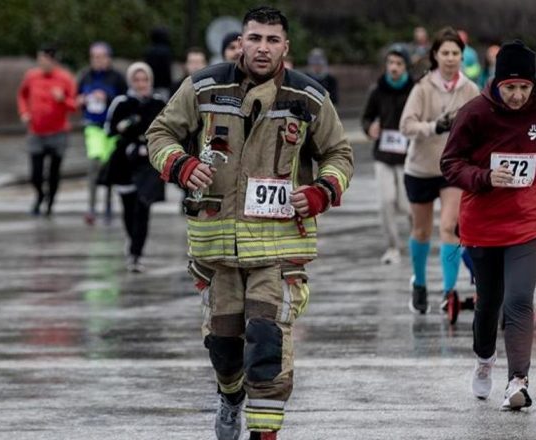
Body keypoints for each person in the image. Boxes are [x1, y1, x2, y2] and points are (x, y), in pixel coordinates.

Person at [146, 7, 353, 440]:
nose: (262, 48)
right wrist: (182, 166)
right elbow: (159, 133)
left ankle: (265, 433)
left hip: (278, 248)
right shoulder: (204, 86)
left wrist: (320, 192)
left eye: (272, 40)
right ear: (240, 41)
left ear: (285, 47)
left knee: (267, 342)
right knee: (224, 349)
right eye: (254, 38)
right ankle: (229, 396)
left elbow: (340, 154)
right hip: (216, 247)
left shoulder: (309, 97)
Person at [440, 39, 536, 410]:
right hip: (483, 222)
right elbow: (450, 163)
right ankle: (485, 360)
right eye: (510, 87)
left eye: (524, 87)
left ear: (534, 85)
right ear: (496, 83)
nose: (517, 95)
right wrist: (484, 177)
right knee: (489, 303)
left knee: (519, 300)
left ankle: (518, 381)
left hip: (528, 220)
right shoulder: (475, 113)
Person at [399, 27, 480, 322]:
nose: (450, 58)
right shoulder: (422, 88)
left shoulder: (470, 89)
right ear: (435, 55)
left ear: (462, 56)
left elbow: (481, 127)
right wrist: (435, 126)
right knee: (421, 231)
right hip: (420, 168)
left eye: (455, 53)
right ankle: (419, 283)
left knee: (450, 226)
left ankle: (449, 291)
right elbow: (406, 125)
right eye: (445, 53)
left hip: (452, 169)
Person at [101, 62, 166, 272]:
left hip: (148, 163)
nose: (141, 84)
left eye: (144, 79)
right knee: (129, 208)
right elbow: (109, 129)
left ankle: (137, 253)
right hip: (125, 162)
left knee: (143, 206)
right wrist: (125, 126)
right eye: (136, 80)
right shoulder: (121, 102)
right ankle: (132, 244)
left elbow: (169, 129)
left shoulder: (158, 102)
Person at [360, 44, 414, 265]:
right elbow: (366, 117)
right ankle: (393, 247)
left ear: (406, 67)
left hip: (407, 156)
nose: (393, 68)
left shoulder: (415, 89)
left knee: (406, 205)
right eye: (390, 63)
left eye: (399, 64)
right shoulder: (377, 90)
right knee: (386, 202)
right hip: (383, 155)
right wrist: (369, 127)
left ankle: (416, 241)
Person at [16, 44, 77, 217]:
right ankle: (40, 195)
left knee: (53, 173)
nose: (40, 63)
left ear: (53, 60)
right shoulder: (31, 76)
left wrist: (62, 99)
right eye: (39, 59)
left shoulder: (65, 78)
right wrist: (24, 112)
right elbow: (22, 95)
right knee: (35, 174)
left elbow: (74, 106)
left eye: (43, 59)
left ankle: (50, 203)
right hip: (36, 132)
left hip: (58, 133)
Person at [77, 41, 127, 226]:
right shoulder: (85, 76)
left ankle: (108, 205)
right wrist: (81, 100)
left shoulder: (117, 78)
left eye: (100, 57)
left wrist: (107, 98)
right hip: (93, 127)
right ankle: (91, 207)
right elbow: (77, 98)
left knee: (110, 166)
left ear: (108, 58)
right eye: (93, 57)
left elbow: (124, 101)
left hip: (112, 128)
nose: (96, 61)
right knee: (94, 163)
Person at [144, 26, 173, 100]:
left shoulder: (149, 50)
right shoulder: (166, 51)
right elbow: (168, 70)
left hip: (151, 84)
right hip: (163, 85)